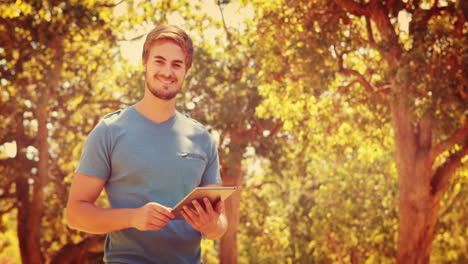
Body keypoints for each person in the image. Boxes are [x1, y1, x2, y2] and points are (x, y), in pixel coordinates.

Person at [66, 25, 228, 263]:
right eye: (159, 61)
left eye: (176, 64)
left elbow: (220, 224)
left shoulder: (202, 138)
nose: (167, 71)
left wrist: (211, 225)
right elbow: (75, 214)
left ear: (186, 71)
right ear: (145, 62)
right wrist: (132, 218)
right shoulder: (110, 131)